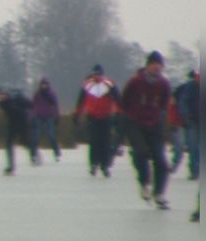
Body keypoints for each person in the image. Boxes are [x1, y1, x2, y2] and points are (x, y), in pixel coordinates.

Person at [119, 51, 172, 209]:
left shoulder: (164, 84)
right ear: (147, 65)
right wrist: (126, 118)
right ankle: (145, 183)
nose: (157, 67)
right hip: (135, 122)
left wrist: (160, 119)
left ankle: (160, 193)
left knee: (161, 161)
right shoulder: (135, 81)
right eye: (154, 64)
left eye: (159, 65)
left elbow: (164, 104)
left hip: (154, 124)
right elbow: (125, 100)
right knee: (141, 152)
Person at [73, 64, 121, 177]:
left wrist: (119, 113)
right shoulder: (87, 85)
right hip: (92, 117)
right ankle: (93, 164)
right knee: (94, 141)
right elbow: (81, 101)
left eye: (99, 74)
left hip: (106, 117)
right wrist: (77, 114)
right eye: (95, 74)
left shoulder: (109, 84)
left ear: (102, 75)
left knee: (105, 142)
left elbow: (118, 100)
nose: (97, 77)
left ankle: (105, 166)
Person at [0, 87, 32, 175]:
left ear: (6, 95)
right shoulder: (1, 103)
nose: (1, 97)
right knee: (9, 144)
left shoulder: (13, 101)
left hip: (22, 123)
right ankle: (11, 166)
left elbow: (28, 106)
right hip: (12, 124)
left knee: (24, 142)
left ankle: (34, 153)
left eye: (2, 95)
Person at [173, 68, 199, 180]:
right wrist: (186, 116)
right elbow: (182, 102)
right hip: (192, 121)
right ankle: (195, 170)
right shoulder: (189, 87)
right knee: (193, 147)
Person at [30, 77, 61, 164]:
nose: (44, 86)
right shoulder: (37, 94)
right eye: (42, 84)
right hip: (38, 116)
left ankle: (56, 152)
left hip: (49, 116)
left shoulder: (51, 94)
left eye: (45, 84)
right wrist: (32, 116)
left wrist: (57, 116)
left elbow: (56, 105)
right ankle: (33, 154)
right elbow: (33, 106)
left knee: (51, 135)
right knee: (35, 136)